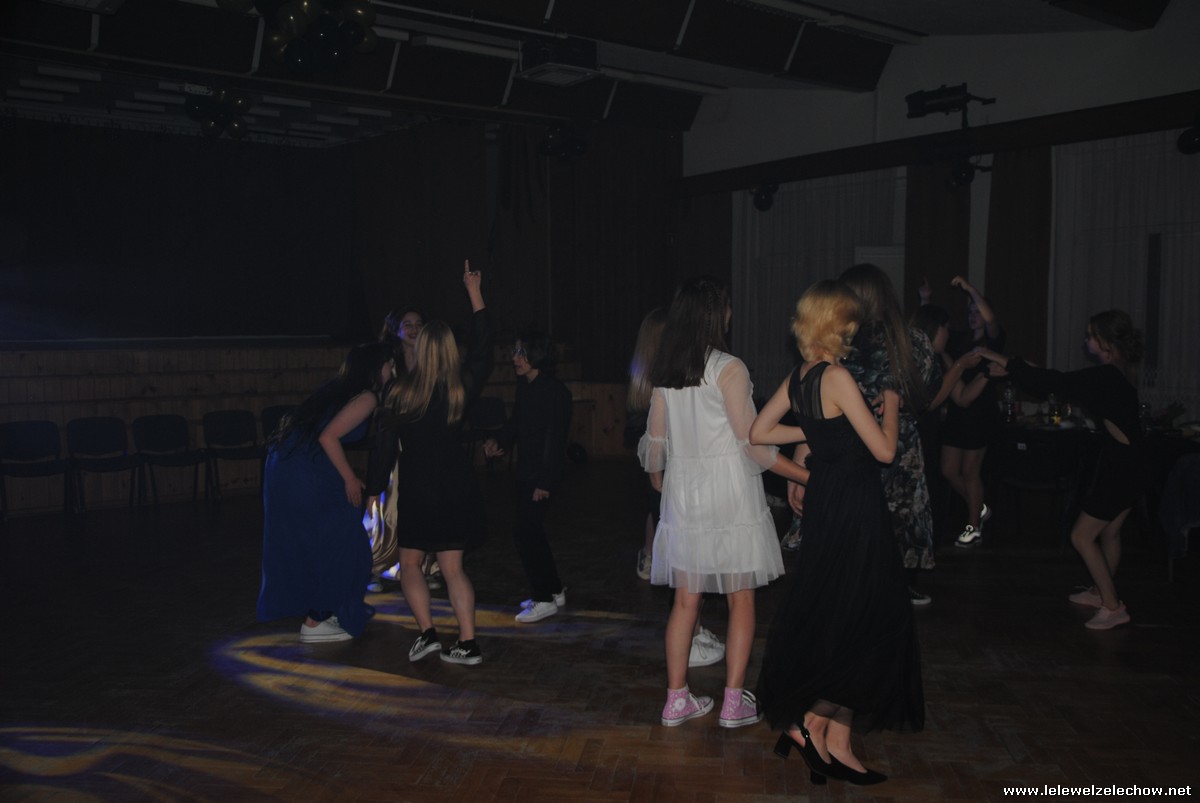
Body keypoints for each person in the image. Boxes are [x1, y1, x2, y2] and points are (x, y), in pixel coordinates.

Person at [753, 280, 923, 786]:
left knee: (845, 613)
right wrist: (891, 403)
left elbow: (759, 433)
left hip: (827, 501)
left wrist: (816, 429)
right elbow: (885, 452)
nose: (855, 330)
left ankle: (837, 742)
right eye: (850, 322)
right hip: (854, 504)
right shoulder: (838, 376)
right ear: (836, 325)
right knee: (873, 616)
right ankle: (811, 721)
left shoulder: (799, 376)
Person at [638, 276, 805, 729]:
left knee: (685, 600)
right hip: (729, 492)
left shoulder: (668, 373)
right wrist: (806, 473)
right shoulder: (729, 368)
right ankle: (733, 703)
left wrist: (662, 483)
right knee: (741, 597)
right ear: (715, 316)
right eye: (726, 308)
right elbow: (753, 444)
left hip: (686, 493)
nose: (730, 314)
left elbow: (655, 444)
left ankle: (677, 699)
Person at [978, 309, 1144, 630]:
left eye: (1090, 336)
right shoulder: (1118, 372)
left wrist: (1000, 358)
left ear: (1105, 342)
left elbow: (1056, 382)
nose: (1085, 340)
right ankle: (1100, 591)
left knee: (1081, 536)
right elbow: (1054, 379)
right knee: (1109, 532)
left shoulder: (1107, 376)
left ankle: (1113, 606)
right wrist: (1016, 367)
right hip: (1133, 463)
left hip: (1124, 468)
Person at [368, 262, 492, 663]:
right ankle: (468, 643)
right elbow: (484, 349)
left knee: (409, 564)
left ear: (421, 349)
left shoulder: (399, 391)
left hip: (420, 488)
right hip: (456, 485)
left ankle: (428, 634)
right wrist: (474, 292)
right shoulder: (460, 389)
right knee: (453, 569)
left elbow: (384, 445)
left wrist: (373, 487)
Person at [257, 341, 395, 643]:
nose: (391, 369)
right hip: (306, 468)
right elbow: (328, 436)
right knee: (346, 541)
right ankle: (316, 619)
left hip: (289, 465)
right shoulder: (367, 397)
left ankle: (321, 611)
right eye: (388, 363)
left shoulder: (337, 390)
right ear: (376, 367)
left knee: (322, 539)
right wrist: (350, 478)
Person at [626, 306, 726, 667]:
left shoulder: (647, 379)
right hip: (672, 480)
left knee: (683, 564)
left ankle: (692, 630)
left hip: (667, 480)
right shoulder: (666, 380)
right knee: (685, 567)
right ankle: (689, 640)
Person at [839, 264, 940, 605]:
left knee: (859, 520)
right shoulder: (915, 340)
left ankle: (860, 590)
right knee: (901, 516)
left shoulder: (844, 341)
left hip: (854, 442)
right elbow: (930, 391)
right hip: (902, 441)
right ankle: (899, 587)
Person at [482, 332, 572, 623]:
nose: (515, 358)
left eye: (521, 352)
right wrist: (499, 442)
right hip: (526, 471)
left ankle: (543, 598)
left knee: (525, 534)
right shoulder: (526, 385)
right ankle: (554, 589)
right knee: (532, 532)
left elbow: (555, 440)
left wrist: (545, 482)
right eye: (515, 352)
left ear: (537, 355)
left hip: (541, 475)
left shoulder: (555, 392)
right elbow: (516, 424)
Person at [931, 276, 1005, 548]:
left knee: (971, 472)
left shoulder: (993, 341)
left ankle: (973, 527)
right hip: (957, 413)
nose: (974, 315)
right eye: (970, 311)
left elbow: (991, 320)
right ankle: (979, 506)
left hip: (980, 413)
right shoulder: (959, 339)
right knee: (948, 470)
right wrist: (925, 301)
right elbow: (935, 342)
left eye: (978, 311)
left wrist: (970, 289)